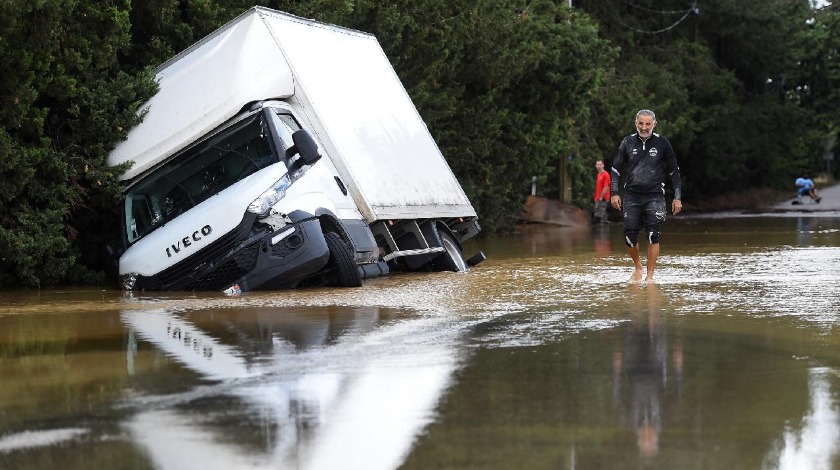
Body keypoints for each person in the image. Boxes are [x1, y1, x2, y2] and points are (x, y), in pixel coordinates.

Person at [610, 109, 682, 283]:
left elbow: (674, 171)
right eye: (641, 123)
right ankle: (638, 267)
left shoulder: (663, 143)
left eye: (648, 124)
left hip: (655, 196)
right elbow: (615, 169)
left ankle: (650, 276)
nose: (644, 127)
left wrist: (677, 197)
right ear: (636, 123)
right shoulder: (627, 142)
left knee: (652, 235)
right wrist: (614, 193)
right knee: (629, 237)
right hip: (632, 196)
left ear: (654, 124)